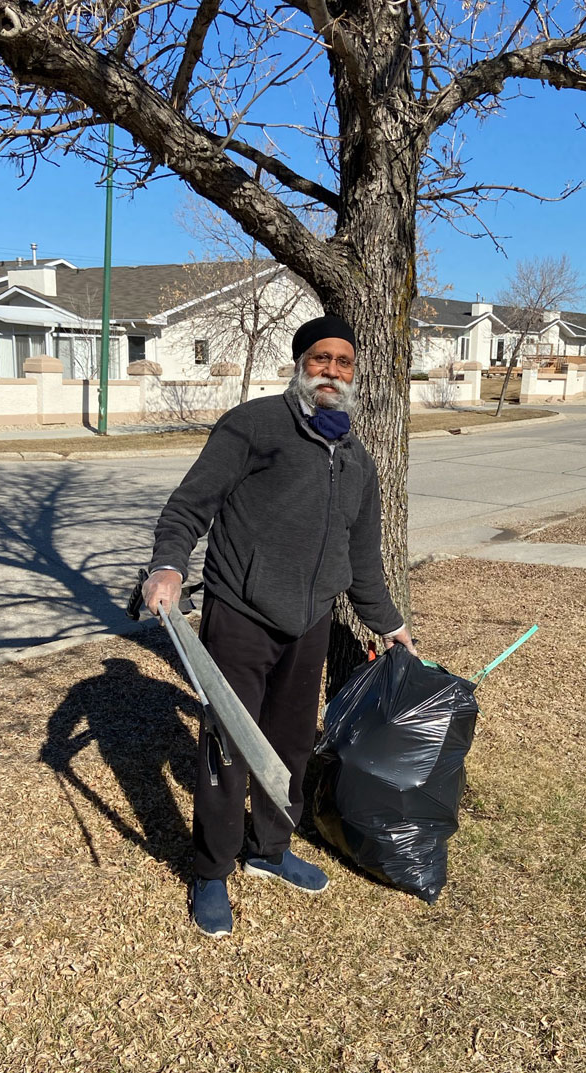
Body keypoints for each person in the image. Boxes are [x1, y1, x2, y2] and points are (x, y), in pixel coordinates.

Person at [142, 314, 415, 937]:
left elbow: (363, 556)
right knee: (229, 745)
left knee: (290, 744)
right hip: (240, 613)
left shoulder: (357, 460)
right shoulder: (254, 425)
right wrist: (166, 568)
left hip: (311, 620)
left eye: (344, 363)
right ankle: (211, 869)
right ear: (299, 363)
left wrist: (387, 622)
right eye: (321, 358)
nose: (333, 371)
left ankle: (267, 849)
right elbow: (190, 506)